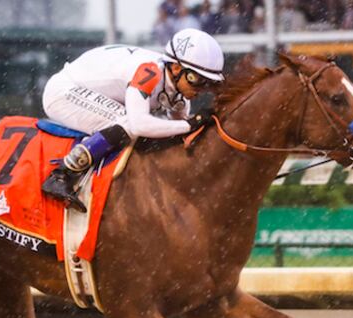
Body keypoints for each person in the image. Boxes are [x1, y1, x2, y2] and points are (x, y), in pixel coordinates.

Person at [41, 28, 224, 212]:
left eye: (208, 83)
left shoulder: (179, 96)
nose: (201, 89)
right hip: (63, 91)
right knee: (127, 123)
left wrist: (192, 126)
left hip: (88, 90)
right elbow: (139, 124)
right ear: (176, 68)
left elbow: (180, 134)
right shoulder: (150, 72)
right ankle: (61, 175)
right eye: (197, 80)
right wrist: (190, 123)